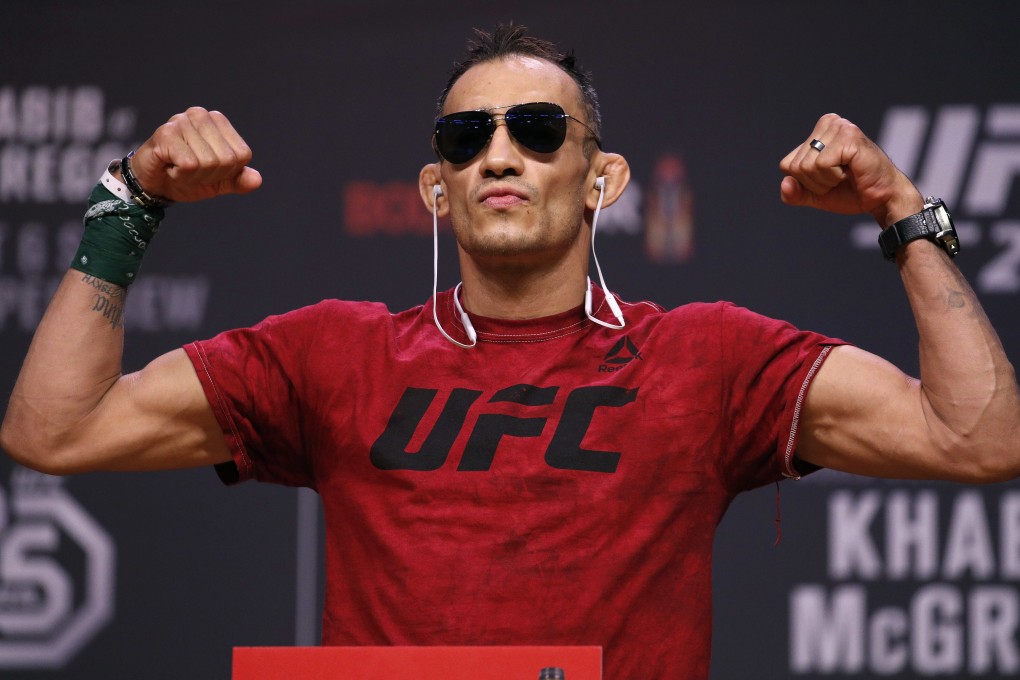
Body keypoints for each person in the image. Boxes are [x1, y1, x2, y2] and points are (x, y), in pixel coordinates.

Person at [2, 24, 1018, 680]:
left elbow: (979, 438)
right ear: (434, 187)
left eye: (537, 129)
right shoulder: (330, 352)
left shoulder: (706, 357)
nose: (498, 153)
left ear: (602, 178)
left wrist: (901, 213)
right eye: (464, 137)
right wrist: (129, 202)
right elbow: (55, 426)